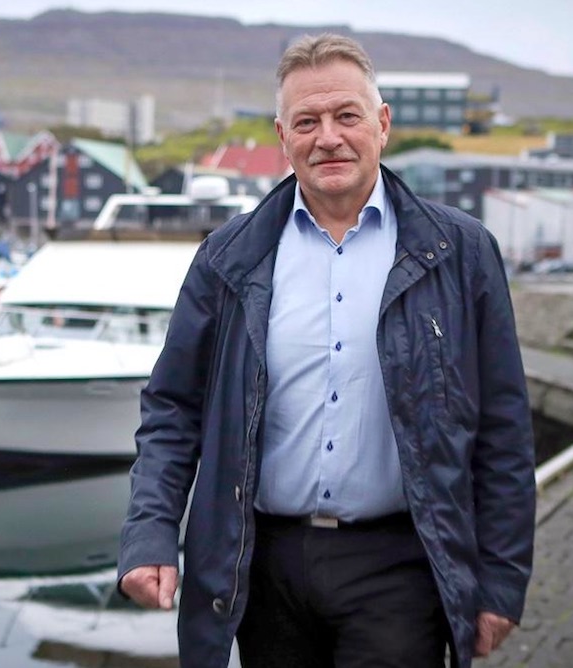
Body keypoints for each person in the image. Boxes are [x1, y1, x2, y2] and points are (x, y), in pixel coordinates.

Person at [117, 33, 536, 668]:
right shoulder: (228, 258)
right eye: (307, 122)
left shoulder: (460, 252)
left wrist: (501, 581)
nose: (329, 138)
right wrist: (150, 534)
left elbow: (504, 429)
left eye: (347, 116)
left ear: (382, 124)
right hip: (263, 568)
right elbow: (173, 409)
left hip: (401, 567)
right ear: (282, 137)